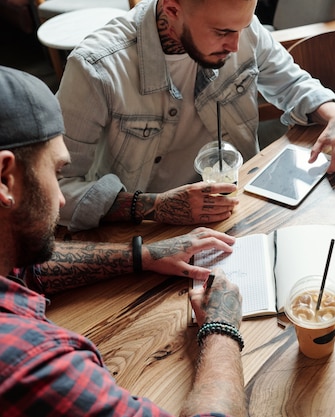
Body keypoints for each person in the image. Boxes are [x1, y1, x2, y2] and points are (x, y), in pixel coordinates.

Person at [0, 66, 246, 416]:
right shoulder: (33, 365)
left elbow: (20, 266)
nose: (61, 199)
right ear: (5, 180)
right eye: (55, 173)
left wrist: (141, 254)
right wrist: (221, 330)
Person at [56, 0, 335, 232]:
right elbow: (53, 190)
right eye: (223, 32)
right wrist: (155, 206)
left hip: (238, 206)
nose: (235, 46)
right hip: (145, 229)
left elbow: (294, 83)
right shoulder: (96, 67)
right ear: (172, 9)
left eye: (242, 29)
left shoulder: (241, 28)